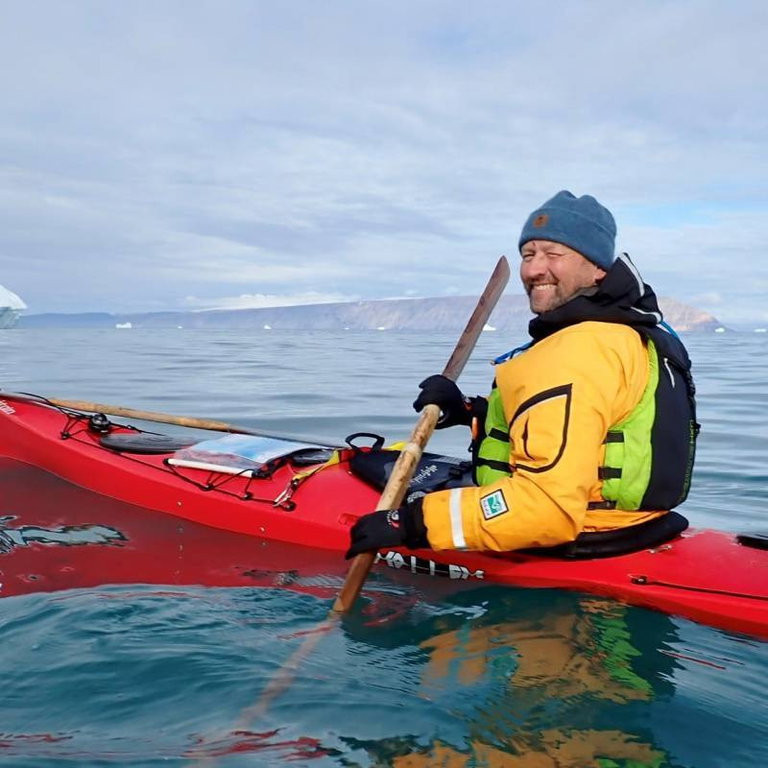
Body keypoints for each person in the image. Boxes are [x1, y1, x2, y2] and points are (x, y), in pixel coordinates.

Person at [347, 190, 698, 557]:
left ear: (598, 268)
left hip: (580, 535)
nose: (533, 270)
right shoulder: (626, 333)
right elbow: (592, 426)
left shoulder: (575, 352)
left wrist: (411, 523)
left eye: (553, 254)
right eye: (528, 255)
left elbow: (545, 509)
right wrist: (470, 411)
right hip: (636, 523)